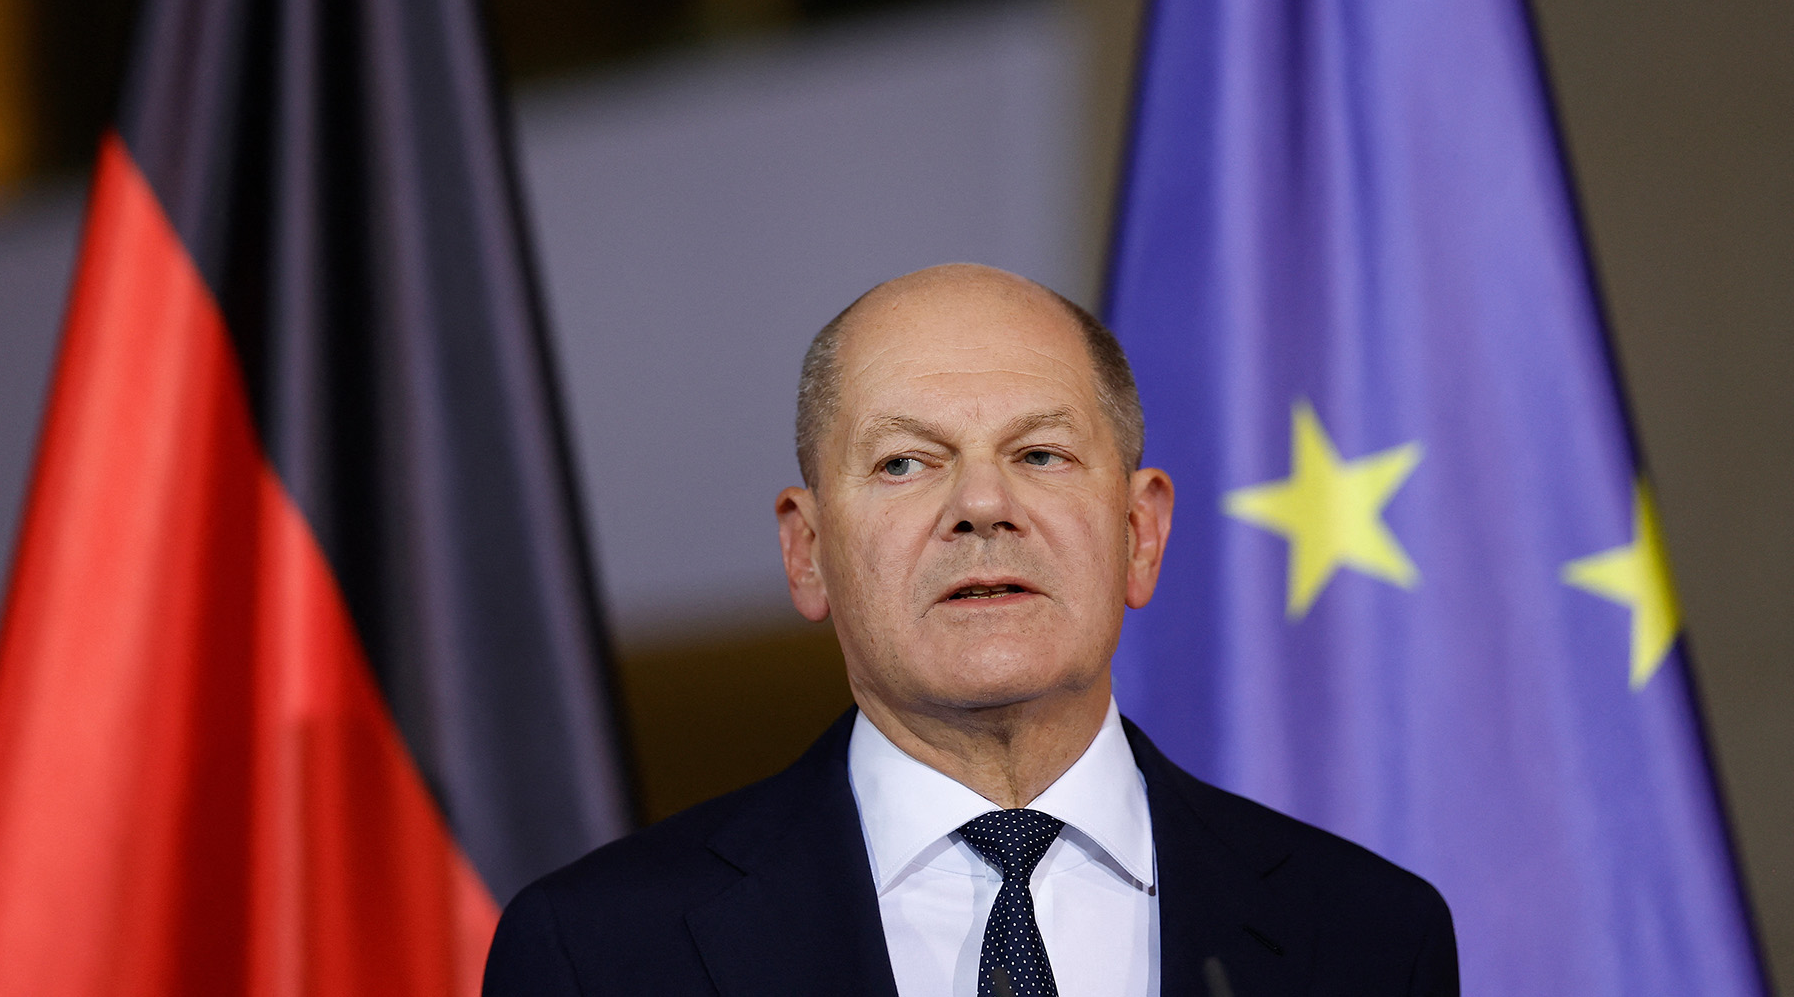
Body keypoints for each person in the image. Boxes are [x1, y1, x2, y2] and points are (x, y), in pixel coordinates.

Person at [483, 264, 1458, 996]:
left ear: (1139, 532)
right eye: (906, 462)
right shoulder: (600, 950)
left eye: (1039, 452)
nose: (982, 503)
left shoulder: (1364, 933)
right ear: (806, 550)